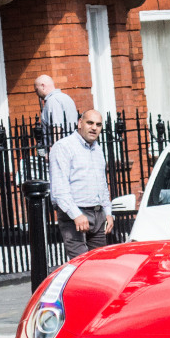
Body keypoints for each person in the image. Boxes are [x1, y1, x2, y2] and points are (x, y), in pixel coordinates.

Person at [49, 109, 114, 259]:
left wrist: (108, 213)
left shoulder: (97, 149)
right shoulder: (64, 147)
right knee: (81, 265)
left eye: (98, 124)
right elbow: (59, 188)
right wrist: (76, 214)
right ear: (80, 123)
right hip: (74, 215)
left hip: (98, 214)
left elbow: (102, 184)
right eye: (89, 123)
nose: (94, 128)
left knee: (100, 263)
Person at [35, 75, 79, 140]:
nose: (36, 93)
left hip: (61, 147)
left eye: (36, 89)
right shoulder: (66, 97)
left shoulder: (52, 100)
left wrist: (54, 148)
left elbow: (56, 128)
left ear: (43, 86)